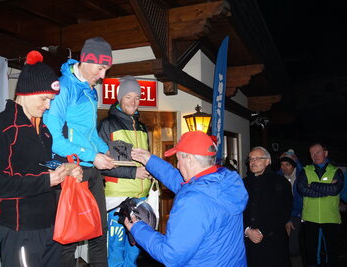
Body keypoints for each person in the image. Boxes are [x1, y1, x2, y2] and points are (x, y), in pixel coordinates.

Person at [0, 51, 82, 267]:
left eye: (51, 99)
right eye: (44, 98)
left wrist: (66, 169)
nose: (48, 105)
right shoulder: (1, 128)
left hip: (51, 227)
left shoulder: (44, 131)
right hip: (19, 229)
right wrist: (45, 180)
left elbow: (39, 168)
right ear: (25, 93)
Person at [43, 37, 115, 267]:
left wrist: (107, 152)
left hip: (91, 170)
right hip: (71, 170)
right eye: (101, 68)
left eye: (106, 69)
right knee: (69, 237)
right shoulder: (63, 87)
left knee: (99, 232)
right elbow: (54, 141)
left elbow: (91, 133)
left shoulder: (91, 90)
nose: (103, 75)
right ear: (86, 60)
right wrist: (93, 156)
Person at [127, 131, 249, 266]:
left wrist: (138, 229)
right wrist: (150, 160)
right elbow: (178, 180)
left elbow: (171, 255)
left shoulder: (193, 201)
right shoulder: (225, 182)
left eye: (178, 160)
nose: (178, 165)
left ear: (190, 160)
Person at [97, 75, 151, 267]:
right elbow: (102, 166)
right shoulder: (107, 125)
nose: (133, 102)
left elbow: (145, 159)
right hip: (117, 200)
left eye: (137, 97)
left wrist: (150, 170)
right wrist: (134, 173)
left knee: (135, 250)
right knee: (115, 252)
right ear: (120, 97)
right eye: (128, 96)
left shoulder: (143, 128)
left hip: (140, 199)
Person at [243, 146, 293, 267]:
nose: (253, 162)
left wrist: (261, 231)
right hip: (249, 242)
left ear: (268, 161)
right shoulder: (243, 183)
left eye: (257, 158)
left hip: (273, 241)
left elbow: (284, 211)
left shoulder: (281, 182)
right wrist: (247, 230)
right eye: (251, 159)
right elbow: (238, 210)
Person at [297, 142, 344, 267]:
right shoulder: (305, 171)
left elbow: (335, 190)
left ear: (325, 153)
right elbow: (301, 189)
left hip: (331, 219)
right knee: (311, 254)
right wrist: (326, 190)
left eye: (317, 152)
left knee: (332, 254)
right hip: (310, 218)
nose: (314, 155)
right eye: (312, 153)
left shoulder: (336, 171)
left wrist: (312, 185)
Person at [278, 149, 304, 257]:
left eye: (287, 164)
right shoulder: (279, 177)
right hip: (284, 214)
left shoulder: (301, 177)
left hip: (299, 214)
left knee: (295, 243)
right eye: (282, 164)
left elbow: (300, 199)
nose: (284, 167)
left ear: (293, 165)